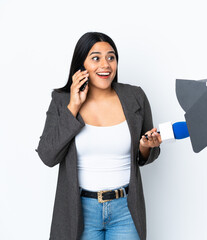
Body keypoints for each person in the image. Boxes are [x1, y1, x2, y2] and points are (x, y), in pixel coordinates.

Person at [36, 32, 162, 240]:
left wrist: (147, 146)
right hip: (81, 211)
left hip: (126, 210)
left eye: (111, 57)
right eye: (96, 58)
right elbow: (48, 156)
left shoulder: (135, 97)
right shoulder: (62, 101)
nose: (105, 64)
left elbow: (146, 154)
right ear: (81, 65)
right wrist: (73, 106)